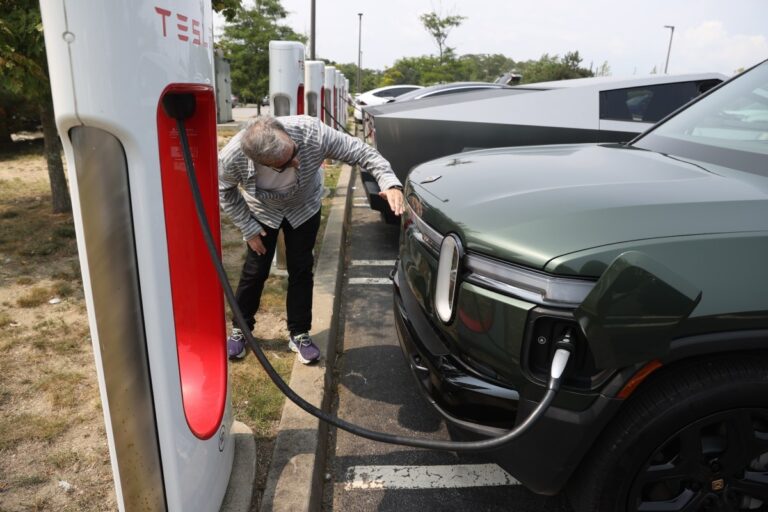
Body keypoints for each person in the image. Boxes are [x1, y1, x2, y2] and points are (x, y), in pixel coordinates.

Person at [219, 115, 404, 364]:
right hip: (262, 212)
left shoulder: (312, 133)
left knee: (302, 268)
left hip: (303, 207)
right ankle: (241, 328)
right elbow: (224, 189)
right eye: (284, 164)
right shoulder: (233, 156)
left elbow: (362, 152)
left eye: (294, 151)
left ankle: (299, 332)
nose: (296, 161)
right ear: (260, 161)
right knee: (255, 270)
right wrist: (248, 228)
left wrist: (390, 182)